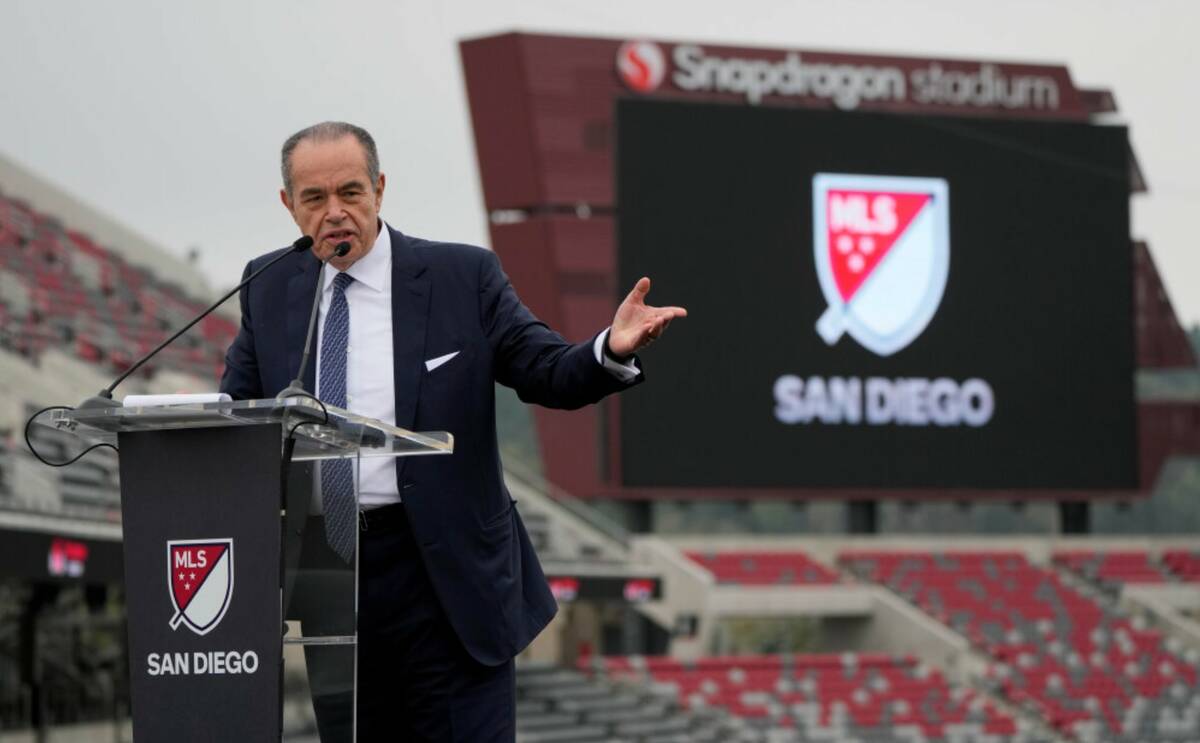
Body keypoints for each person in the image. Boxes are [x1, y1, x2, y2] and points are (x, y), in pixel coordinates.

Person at [219, 121, 686, 742]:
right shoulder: (268, 284)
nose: (336, 213)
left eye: (351, 193)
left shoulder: (461, 276)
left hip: (447, 579)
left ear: (380, 189)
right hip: (334, 578)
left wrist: (608, 349)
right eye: (314, 199)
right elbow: (238, 412)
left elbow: (545, 370)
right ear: (289, 205)